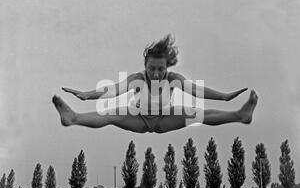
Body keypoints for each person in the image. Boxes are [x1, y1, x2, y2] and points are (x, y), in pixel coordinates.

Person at [52, 34, 258, 133]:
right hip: (138, 118)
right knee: (109, 114)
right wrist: (88, 95)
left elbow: (195, 90)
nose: (157, 73)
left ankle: (240, 115)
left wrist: (223, 96)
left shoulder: (173, 79)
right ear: (145, 66)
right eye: (152, 69)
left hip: (163, 119)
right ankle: (73, 118)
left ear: (167, 67)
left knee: (199, 113)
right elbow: (114, 90)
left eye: (161, 69)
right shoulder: (137, 79)